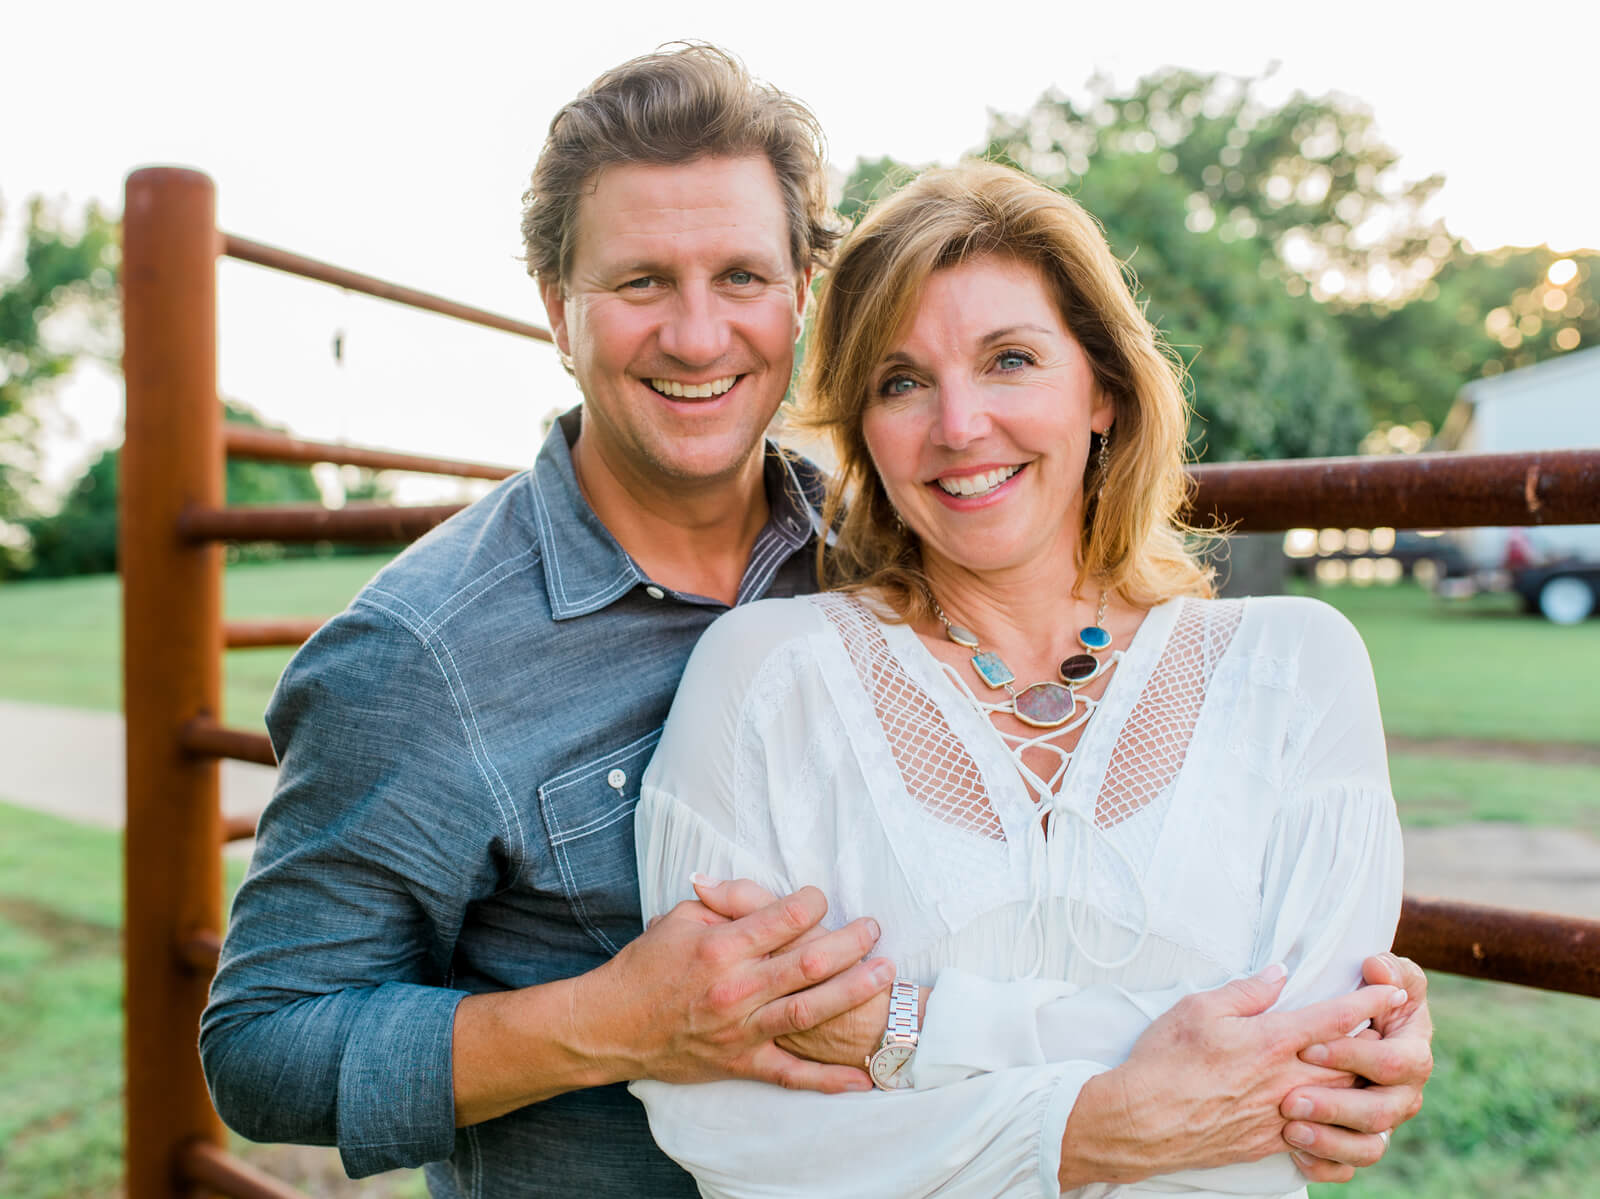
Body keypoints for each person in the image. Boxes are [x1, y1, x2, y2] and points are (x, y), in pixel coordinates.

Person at [202, 45, 1428, 1198]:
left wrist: (1346, 1030)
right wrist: (607, 1021)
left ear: (799, 294)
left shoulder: (898, 554)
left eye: (740, 276)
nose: (696, 333)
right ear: (554, 302)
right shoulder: (425, 654)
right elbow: (263, 1046)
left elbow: (1215, 993)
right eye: (639, 282)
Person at [632, 160, 1417, 1197]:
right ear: (863, 427)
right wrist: (1090, 1127)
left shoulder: (1293, 670)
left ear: (1101, 390)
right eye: (900, 380)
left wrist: (900, 1026)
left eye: (1009, 359)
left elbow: (1304, 1073)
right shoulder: (768, 679)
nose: (958, 425)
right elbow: (713, 1113)